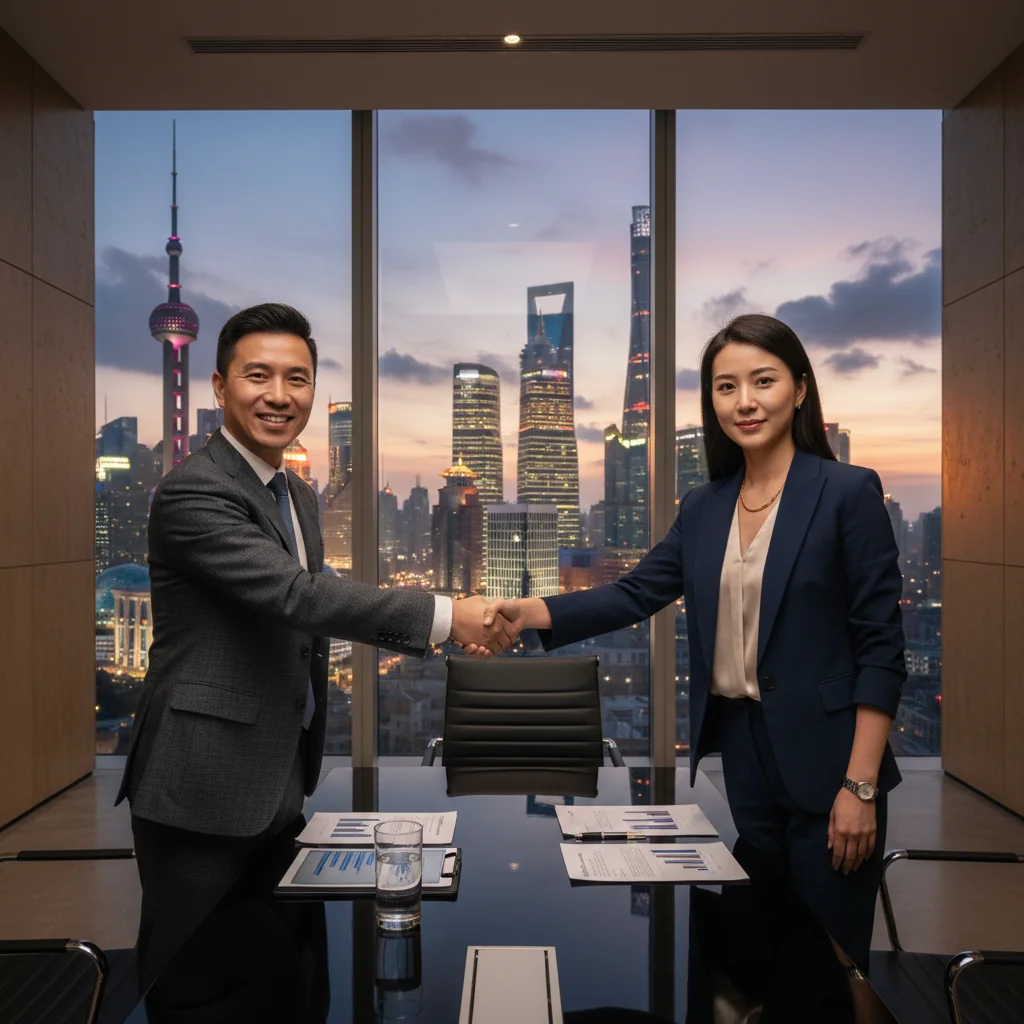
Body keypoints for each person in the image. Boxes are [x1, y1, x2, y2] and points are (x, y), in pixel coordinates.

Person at [481, 313, 905, 969]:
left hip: (833, 760)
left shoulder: (847, 492)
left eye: (762, 381)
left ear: (798, 387)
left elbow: (881, 648)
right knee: (761, 945)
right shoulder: (706, 506)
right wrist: (528, 610)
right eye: (725, 387)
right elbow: (634, 592)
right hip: (745, 750)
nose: (745, 402)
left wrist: (862, 786)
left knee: (827, 963)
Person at [116, 303, 516, 990]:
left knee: (289, 977)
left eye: (296, 378)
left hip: (278, 776)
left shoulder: (295, 495)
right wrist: (449, 615)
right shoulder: (194, 492)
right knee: (203, 983)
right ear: (218, 387)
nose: (280, 395)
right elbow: (300, 598)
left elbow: (305, 611)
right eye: (258, 376)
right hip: (203, 784)